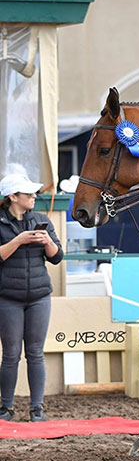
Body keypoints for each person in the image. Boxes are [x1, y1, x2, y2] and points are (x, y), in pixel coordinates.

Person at [0, 172, 63, 422]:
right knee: (10, 354)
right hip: (7, 298)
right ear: (13, 197)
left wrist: (48, 241)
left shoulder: (41, 219)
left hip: (39, 297)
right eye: (28, 193)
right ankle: (6, 408)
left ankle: (37, 408)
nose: (34, 196)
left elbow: (57, 257)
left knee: (36, 352)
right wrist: (18, 240)